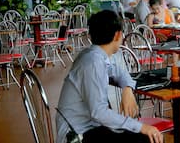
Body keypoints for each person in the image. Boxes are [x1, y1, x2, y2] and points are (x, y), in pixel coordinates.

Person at [55, 10, 163, 143]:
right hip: (76, 135)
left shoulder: (94, 55)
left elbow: (119, 72)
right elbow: (99, 113)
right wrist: (141, 127)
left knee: (142, 136)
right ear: (118, 35)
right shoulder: (93, 62)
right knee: (147, 137)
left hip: (89, 127)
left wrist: (127, 88)